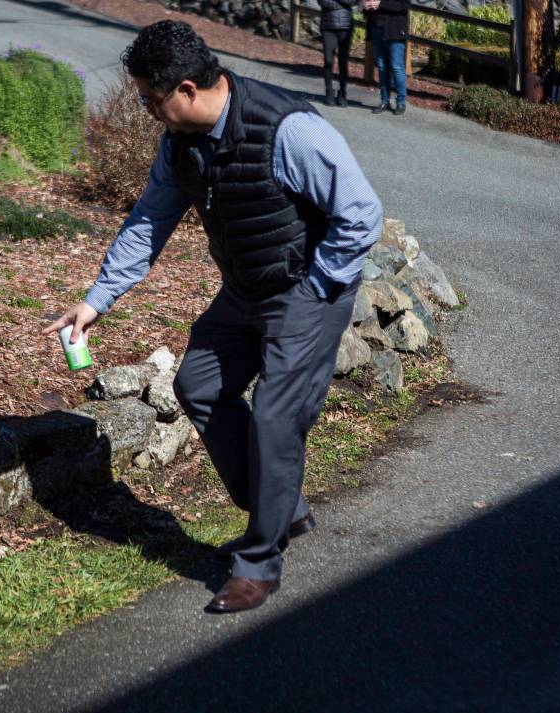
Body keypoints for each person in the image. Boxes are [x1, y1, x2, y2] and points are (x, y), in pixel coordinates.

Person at [43, 21, 383, 614]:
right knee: (197, 386)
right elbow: (149, 221)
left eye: (151, 98)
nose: (147, 109)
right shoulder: (178, 142)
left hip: (308, 287)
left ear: (188, 89)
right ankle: (282, 508)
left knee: (276, 419)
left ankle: (258, 563)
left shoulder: (289, 131)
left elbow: (360, 213)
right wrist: (96, 300)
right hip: (245, 288)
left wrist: (318, 288)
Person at [363, 0, 410, 115]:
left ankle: (401, 102)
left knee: (396, 67)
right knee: (382, 66)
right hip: (376, 28)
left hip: (394, 29)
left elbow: (404, 5)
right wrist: (366, 6)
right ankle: (384, 100)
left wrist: (380, 4)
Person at [318, 0, 357, 106]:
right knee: (328, 60)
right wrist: (342, 5)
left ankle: (343, 93)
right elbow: (323, 2)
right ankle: (329, 92)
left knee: (343, 61)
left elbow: (353, 1)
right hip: (328, 25)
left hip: (346, 25)